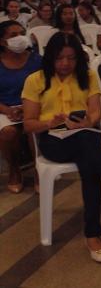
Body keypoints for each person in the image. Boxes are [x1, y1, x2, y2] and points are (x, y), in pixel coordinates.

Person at [22, 32, 101, 263]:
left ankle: (94, 233)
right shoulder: (35, 80)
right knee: (89, 150)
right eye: (60, 58)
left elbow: (95, 113)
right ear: (50, 57)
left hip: (83, 133)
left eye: (71, 58)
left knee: (87, 151)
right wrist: (50, 122)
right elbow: (29, 124)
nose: (65, 64)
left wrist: (86, 122)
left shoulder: (87, 76)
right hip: (52, 138)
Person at [0, 20, 41, 193]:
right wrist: (7, 110)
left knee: (34, 129)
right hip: (5, 107)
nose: (20, 38)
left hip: (34, 105)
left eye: (21, 33)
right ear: (2, 41)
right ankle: (15, 170)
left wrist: (28, 108)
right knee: (7, 133)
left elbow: (47, 87)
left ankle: (40, 170)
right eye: (13, 35)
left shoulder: (36, 60)